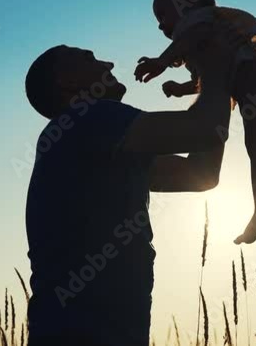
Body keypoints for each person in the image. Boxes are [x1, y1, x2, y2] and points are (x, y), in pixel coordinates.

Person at [24, 39, 233, 346]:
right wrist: (217, 63)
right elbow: (204, 129)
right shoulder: (86, 118)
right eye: (89, 58)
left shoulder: (94, 147)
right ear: (67, 81)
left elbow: (200, 175)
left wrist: (218, 86)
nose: (108, 65)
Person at [134, 0, 256, 254]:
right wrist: (183, 89)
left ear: (187, 5)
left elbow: (196, 38)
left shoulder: (202, 20)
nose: (160, 25)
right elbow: (211, 76)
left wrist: (162, 61)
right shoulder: (221, 29)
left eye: (163, 15)